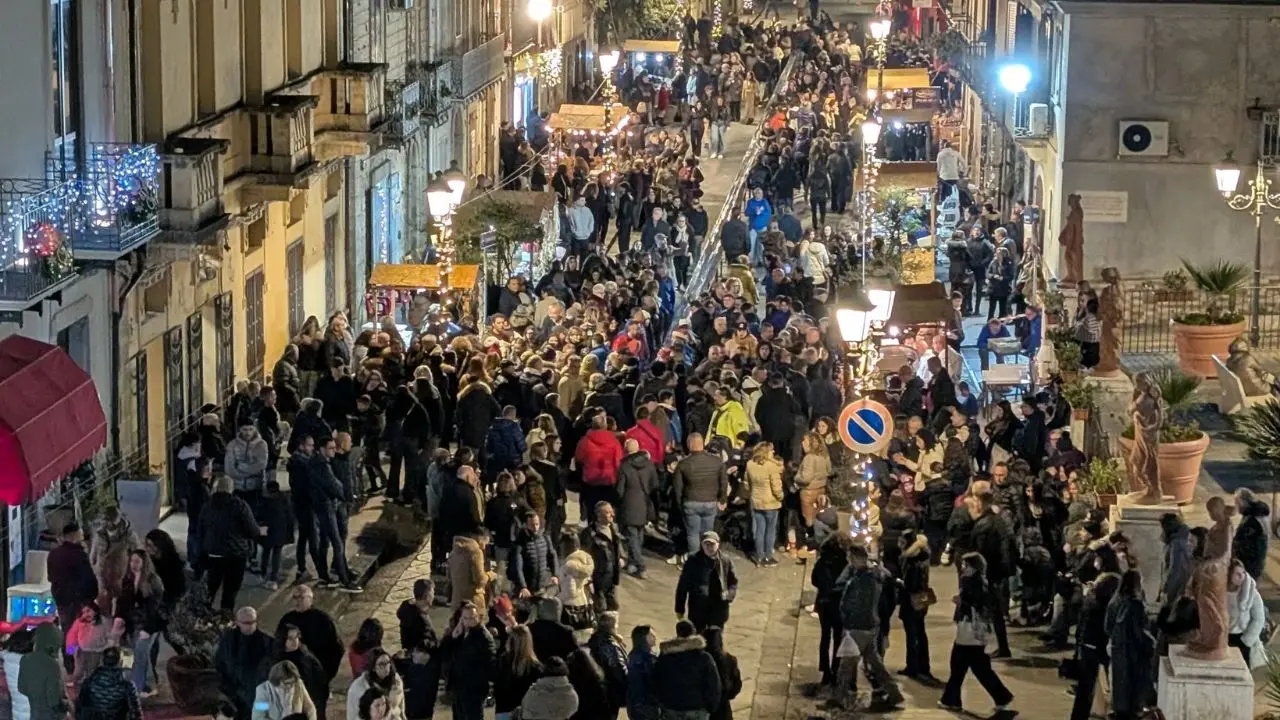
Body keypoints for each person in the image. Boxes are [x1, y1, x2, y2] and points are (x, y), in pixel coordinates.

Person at [939, 553, 1015, 717]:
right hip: (974, 634)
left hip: (969, 634)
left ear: (974, 567)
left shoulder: (972, 582)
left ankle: (952, 700)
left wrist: (961, 602)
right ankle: (1000, 697)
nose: (963, 569)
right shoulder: (982, 581)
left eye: (966, 565)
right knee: (976, 668)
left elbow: (976, 604)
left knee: (961, 667)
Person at [836, 545, 903, 710]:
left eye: (850, 558)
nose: (848, 562)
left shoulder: (863, 579)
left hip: (857, 626)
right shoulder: (874, 575)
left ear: (855, 558)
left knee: (846, 665)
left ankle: (840, 698)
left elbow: (855, 602)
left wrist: (847, 619)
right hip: (871, 625)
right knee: (876, 664)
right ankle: (894, 694)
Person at [201, 476, 266, 610]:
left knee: (209, 590)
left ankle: (202, 617)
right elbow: (252, 530)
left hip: (213, 554)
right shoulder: (239, 505)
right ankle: (225, 619)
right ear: (232, 489)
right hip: (235, 555)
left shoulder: (207, 506)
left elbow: (201, 529)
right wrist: (260, 531)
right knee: (230, 592)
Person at [1069, 569, 1120, 720]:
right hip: (1099, 647)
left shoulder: (1091, 601)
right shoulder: (1108, 607)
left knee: (1085, 690)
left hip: (1087, 646)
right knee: (1112, 684)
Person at [671, 433, 730, 563]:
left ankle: (694, 561)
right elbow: (723, 482)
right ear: (702, 444)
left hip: (690, 502)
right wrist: (722, 499)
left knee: (692, 533)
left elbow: (677, 488)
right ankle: (707, 559)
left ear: (690, 445)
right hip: (710, 502)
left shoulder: (684, 464)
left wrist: (679, 505)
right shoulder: (716, 461)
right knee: (707, 533)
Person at [48, 522, 99, 665]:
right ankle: (77, 662)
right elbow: (88, 579)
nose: (82, 538)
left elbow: (51, 578)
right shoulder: (79, 555)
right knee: (78, 631)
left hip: (61, 600)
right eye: (80, 535)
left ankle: (69, 662)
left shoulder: (54, 554)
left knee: (67, 630)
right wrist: (91, 598)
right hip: (78, 601)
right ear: (75, 536)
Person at [1107, 569, 1154, 720]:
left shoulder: (1114, 601)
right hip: (1133, 651)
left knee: (1119, 682)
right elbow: (1138, 631)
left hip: (1117, 647)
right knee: (1133, 683)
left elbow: (1107, 626)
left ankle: (1119, 710)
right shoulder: (1135, 604)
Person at [117, 549, 164, 695]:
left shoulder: (153, 581)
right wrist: (118, 620)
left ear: (144, 563)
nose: (133, 564)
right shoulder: (128, 579)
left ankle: (136, 688)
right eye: (131, 561)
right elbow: (123, 603)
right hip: (132, 623)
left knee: (140, 654)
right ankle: (144, 683)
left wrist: (148, 629)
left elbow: (156, 608)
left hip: (149, 624)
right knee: (128, 653)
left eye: (137, 561)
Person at [652, 620, 721, 720]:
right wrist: (711, 707)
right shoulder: (704, 657)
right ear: (693, 633)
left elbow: (656, 680)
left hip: (671, 707)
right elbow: (713, 685)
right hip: (697, 708)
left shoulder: (665, 656)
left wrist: (661, 701)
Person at [215, 607, 275, 720]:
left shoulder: (267, 642)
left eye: (253, 622)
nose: (250, 625)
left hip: (258, 696)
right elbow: (220, 663)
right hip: (234, 694)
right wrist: (226, 687)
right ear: (237, 622)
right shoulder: (229, 639)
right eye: (246, 623)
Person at [276, 585, 345, 682]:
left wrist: (324, 674)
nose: (296, 601)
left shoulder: (323, 620)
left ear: (310, 599)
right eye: (294, 597)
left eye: (300, 597)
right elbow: (278, 643)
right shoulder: (287, 619)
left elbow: (336, 649)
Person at [440, 601, 496, 720]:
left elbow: (489, 662)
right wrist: (452, 638)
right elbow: (445, 653)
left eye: (472, 618)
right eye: (465, 618)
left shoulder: (483, 637)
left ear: (477, 617)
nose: (468, 621)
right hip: (458, 687)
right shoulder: (460, 633)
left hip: (474, 688)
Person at [676, 531, 739, 632]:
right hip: (698, 607)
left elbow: (733, 582)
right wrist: (679, 608)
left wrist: (730, 595)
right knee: (697, 637)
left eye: (712, 544)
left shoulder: (725, 560)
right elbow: (683, 585)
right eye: (706, 544)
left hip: (717, 608)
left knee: (715, 639)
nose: (709, 547)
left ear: (718, 544)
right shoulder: (693, 560)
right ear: (701, 544)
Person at [615, 438, 657, 577]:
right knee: (638, 534)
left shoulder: (624, 466)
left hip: (629, 503)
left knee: (632, 536)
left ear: (626, 450)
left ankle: (640, 564)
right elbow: (655, 484)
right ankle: (632, 562)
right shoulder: (649, 464)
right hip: (644, 503)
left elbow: (619, 490)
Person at [897, 530, 935, 682]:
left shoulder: (912, 561)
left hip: (912, 600)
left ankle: (914, 666)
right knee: (920, 632)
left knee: (913, 634)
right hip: (921, 599)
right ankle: (921, 665)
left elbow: (911, 583)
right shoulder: (923, 555)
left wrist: (900, 584)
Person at [270, 625, 330, 717]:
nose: (295, 641)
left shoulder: (307, 657)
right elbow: (259, 705)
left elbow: (320, 682)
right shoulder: (272, 662)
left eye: (297, 637)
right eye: (290, 638)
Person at [74, 647, 142, 720]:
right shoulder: (127, 685)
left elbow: (79, 707)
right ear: (119, 662)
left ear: (103, 660)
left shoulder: (89, 681)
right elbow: (136, 713)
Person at [745, 441, 784, 566]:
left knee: (760, 530)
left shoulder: (750, 464)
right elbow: (776, 486)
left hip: (756, 502)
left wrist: (753, 493)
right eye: (771, 450)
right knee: (770, 530)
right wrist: (781, 496)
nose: (773, 452)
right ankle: (768, 557)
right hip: (771, 503)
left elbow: (747, 483)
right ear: (766, 452)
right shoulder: (772, 467)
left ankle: (759, 557)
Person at [19, 623, 69, 720]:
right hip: (50, 715)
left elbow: (22, 688)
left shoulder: (25, 659)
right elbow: (54, 700)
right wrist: (67, 705)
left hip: (34, 711)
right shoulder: (52, 665)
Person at [580, 502, 623, 612]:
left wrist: (621, 558)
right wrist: (588, 580)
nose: (612, 515)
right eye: (608, 512)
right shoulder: (589, 533)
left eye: (612, 511)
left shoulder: (614, 528)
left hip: (612, 578)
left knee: (614, 607)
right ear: (599, 515)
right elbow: (584, 557)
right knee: (600, 609)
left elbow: (618, 547)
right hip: (598, 579)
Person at [494, 625, 543, 720]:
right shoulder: (535, 666)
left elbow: (497, 684)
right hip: (526, 712)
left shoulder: (503, 660)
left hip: (503, 709)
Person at [1227, 558, 1267, 668]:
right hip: (1224, 636)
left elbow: (1259, 618)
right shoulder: (1222, 592)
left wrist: (1246, 641)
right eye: (1237, 574)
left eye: (1243, 573)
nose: (1241, 576)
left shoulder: (1251, 592)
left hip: (1241, 637)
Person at [345, 649, 406, 720]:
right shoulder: (358, 688)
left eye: (388, 662)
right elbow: (354, 716)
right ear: (373, 667)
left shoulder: (395, 679)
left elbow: (401, 709)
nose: (386, 667)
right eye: (381, 664)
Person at [511, 511, 559, 599]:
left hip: (542, 587)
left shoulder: (545, 538)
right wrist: (523, 586)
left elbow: (553, 556)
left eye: (537, 524)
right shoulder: (520, 543)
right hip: (527, 590)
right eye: (532, 525)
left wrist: (555, 574)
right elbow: (517, 567)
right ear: (525, 525)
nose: (535, 528)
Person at [253, 661, 317, 720]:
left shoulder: (298, 684)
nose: (290, 686)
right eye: (286, 683)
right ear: (277, 680)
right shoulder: (264, 691)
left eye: (292, 683)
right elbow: (259, 716)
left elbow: (309, 708)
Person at [701, 627, 741, 720]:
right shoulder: (729, 659)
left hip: (704, 707)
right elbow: (736, 686)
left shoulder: (699, 660)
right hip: (723, 707)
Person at [448, 530, 490, 613]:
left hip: (457, 599)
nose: (484, 547)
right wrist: (490, 575)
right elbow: (480, 579)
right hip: (472, 602)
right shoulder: (476, 552)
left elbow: (449, 576)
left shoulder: (454, 551)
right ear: (479, 538)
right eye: (485, 542)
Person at [1233, 487, 1270, 579]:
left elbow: (1243, 544)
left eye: (1237, 503)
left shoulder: (1252, 520)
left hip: (1251, 565)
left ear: (1243, 502)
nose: (1236, 506)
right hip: (1256, 563)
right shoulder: (1256, 514)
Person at [625, 625, 659, 720]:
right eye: (651, 635)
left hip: (633, 704)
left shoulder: (632, 655)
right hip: (647, 705)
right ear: (644, 637)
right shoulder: (648, 658)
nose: (655, 637)